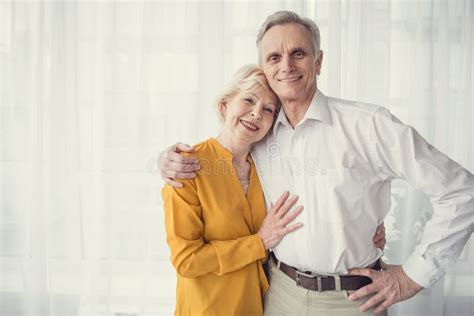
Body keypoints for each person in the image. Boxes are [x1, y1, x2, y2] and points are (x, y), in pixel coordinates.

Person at [159, 11, 474, 315]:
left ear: (318, 61)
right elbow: (220, 162)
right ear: (263, 68)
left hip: (351, 300)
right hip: (275, 295)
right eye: (274, 58)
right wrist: (167, 160)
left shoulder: (368, 125)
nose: (287, 66)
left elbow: (462, 191)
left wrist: (410, 277)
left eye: (299, 53)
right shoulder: (259, 136)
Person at [163, 65, 305, 315]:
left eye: (268, 109)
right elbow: (187, 261)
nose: (256, 113)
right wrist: (259, 242)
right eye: (249, 100)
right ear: (224, 106)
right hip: (207, 308)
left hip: (257, 305)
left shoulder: (267, 167)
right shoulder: (187, 166)